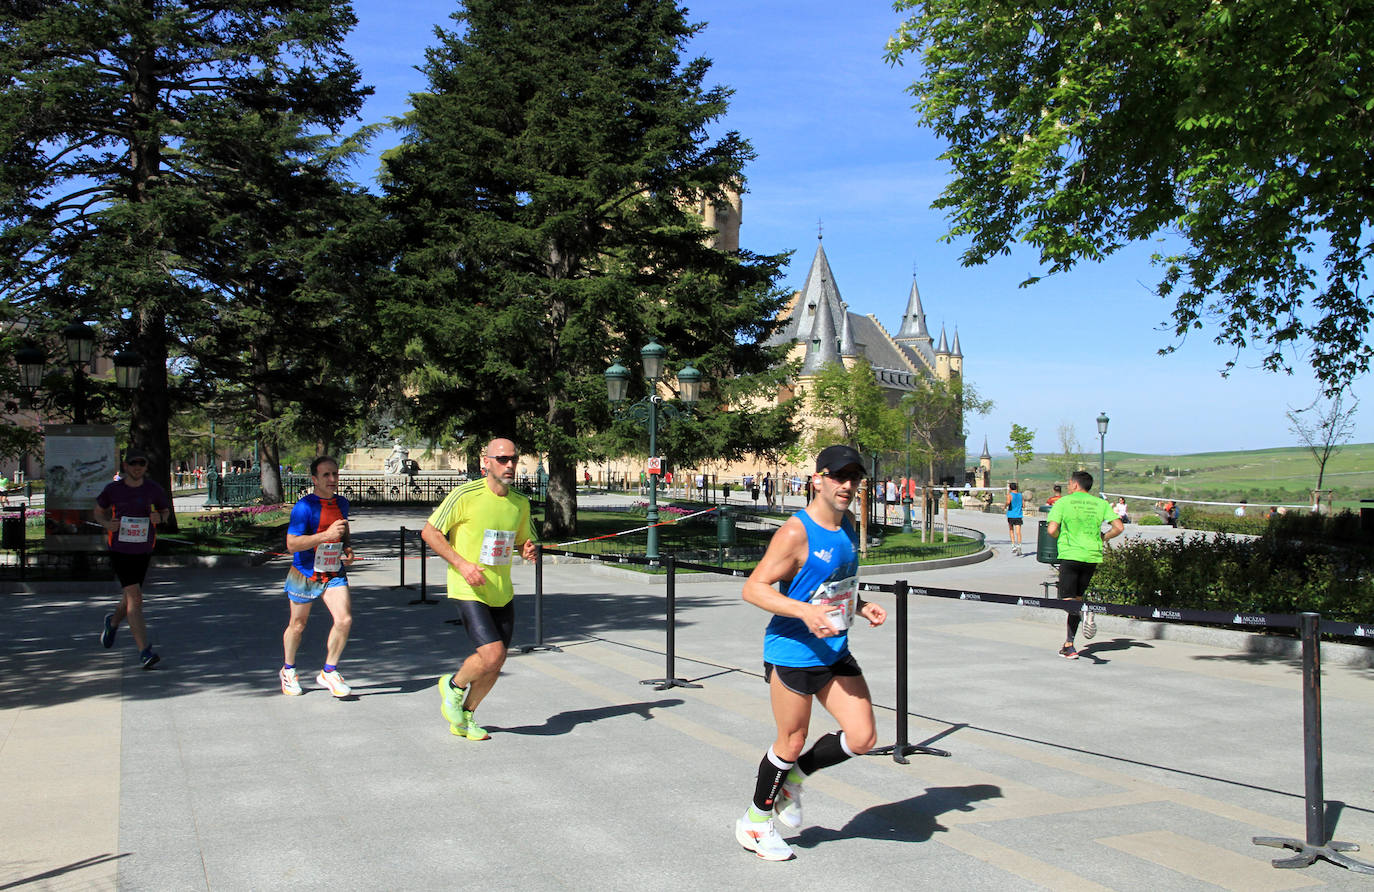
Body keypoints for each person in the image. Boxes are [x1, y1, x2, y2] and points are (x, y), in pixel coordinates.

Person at [735, 445, 888, 861]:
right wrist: (803, 610)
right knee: (791, 739)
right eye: (839, 477)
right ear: (817, 479)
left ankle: (793, 781)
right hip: (793, 652)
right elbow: (754, 588)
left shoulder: (848, 525)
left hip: (834, 649)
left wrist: (860, 604)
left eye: (854, 478)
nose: (847, 485)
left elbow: (834, 584)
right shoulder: (795, 532)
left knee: (863, 737)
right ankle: (755, 821)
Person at [422, 438, 538, 741]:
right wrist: (462, 565)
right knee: (491, 654)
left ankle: (467, 716)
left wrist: (528, 550)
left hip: (502, 590)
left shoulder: (520, 503)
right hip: (468, 586)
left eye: (513, 458)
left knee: (496, 662)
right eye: (502, 459)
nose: (509, 465)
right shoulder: (465, 494)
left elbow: (524, 541)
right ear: (485, 462)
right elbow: (430, 532)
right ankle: (453, 685)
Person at [280, 456, 355, 697]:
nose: (333, 480)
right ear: (314, 479)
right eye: (326, 475)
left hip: (333, 571)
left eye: (335, 474)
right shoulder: (304, 507)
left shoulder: (342, 503)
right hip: (305, 573)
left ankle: (329, 671)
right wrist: (325, 536)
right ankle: (288, 669)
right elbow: (292, 544)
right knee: (298, 625)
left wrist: (347, 547)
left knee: (344, 620)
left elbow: (343, 528)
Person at [96, 448, 172, 669]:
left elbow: (165, 511)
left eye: (141, 463)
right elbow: (97, 511)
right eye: (133, 463)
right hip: (120, 549)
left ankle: (112, 623)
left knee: (132, 596)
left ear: (146, 467)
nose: (137, 467)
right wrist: (106, 524)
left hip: (144, 548)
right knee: (135, 598)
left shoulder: (153, 489)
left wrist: (160, 517)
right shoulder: (113, 489)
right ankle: (144, 652)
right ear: (126, 466)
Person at [1046, 470, 1123, 659]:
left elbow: (1051, 529)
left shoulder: (1063, 502)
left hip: (1071, 554)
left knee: (1065, 600)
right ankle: (1069, 645)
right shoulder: (1100, 503)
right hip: (1092, 556)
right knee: (1076, 599)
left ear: (1074, 484)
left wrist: (1060, 538)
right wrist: (1104, 537)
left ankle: (1086, 610)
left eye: (1069, 483)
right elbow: (1119, 527)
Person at [1004, 482, 1025, 555]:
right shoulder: (1020, 495)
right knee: (1018, 532)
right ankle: (1019, 545)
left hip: (1011, 515)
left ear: (1010, 488)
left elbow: (1008, 502)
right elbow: (1023, 505)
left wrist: (1005, 506)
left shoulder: (1009, 495)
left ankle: (1013, 545)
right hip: (1019, 515)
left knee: (1011, 530)